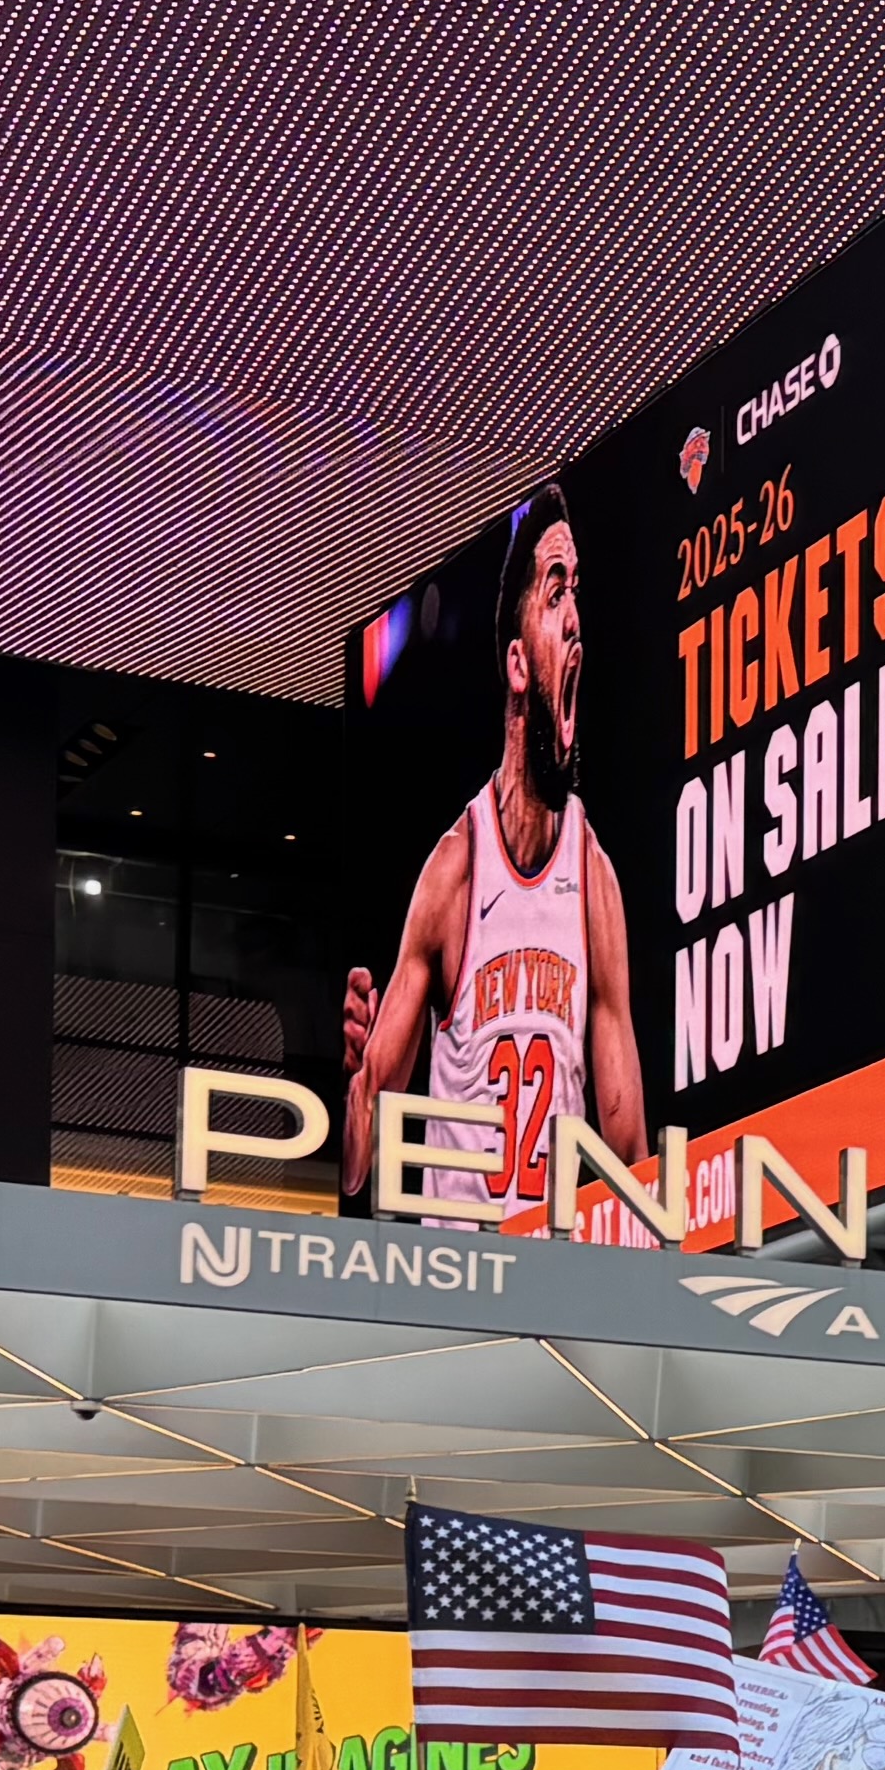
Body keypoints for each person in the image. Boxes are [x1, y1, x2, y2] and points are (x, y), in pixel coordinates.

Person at [340, 487, 648, 1230]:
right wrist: (355, 1078)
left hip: (556, 1274)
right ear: (518, 662)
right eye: (555, 593)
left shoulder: (593, 881)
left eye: (578, 593)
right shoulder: (454, 872)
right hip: (461, 1278)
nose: (576, 619)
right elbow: (356, 1162)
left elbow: (631, 1151)